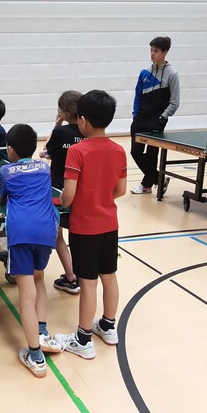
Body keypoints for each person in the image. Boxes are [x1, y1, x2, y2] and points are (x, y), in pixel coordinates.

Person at [54, 90, 127, 360]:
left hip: (84, 227)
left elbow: (68, 196)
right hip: (110, 224)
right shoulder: (119, 150)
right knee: (109, 276)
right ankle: (108, 326)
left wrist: (64, 201)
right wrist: (100, 199)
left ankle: (83, 339)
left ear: (82, 120)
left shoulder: (77, 151)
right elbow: (120, 190)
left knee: (87, 283)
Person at [0, 124, 61, 378]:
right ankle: (42, 332)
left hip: (21, 233)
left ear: (11, 150)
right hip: (47, 232)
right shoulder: (44, 168)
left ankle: (35, 354)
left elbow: (2, 198)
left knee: (26, 293)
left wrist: (2, 193)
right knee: (39, 278)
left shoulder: (6, 170)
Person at [39, 91, 84, 295]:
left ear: (65, 112)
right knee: (77, 235)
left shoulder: (60, 132)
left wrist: (56, 125)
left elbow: (47, 149)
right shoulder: (87, 133)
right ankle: (81, 275)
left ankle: (71, 277)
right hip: (81, 192)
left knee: (58, 236)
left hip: (59, 191)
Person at [130, 36, 179, 194]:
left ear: (165, 52)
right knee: (135, 152)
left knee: (152, 154)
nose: (152, 53)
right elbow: (138, 96)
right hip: (140, 119)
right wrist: (135, 114)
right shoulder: (144, 73)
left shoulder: (172, 74)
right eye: (151, 50)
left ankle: (147, 185)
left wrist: (162, 117)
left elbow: (174, 102)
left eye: (156, 51)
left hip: (157, 120)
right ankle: (159, 179)